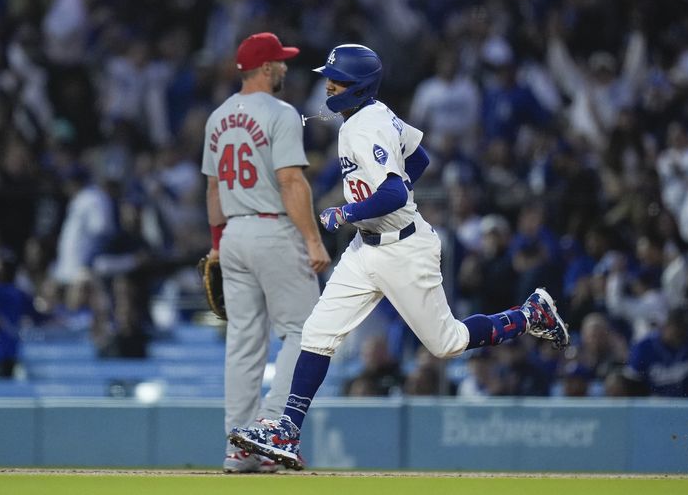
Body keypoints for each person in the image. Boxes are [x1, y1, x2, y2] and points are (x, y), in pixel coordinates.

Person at [228, 43, 570, 470]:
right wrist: (370, 208)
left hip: (404, 249)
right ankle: (287, 432)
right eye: (329, 78)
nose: (329, 86)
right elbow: (419, 158)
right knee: (317, 333)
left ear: (359, 87)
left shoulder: (365, 127)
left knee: (447, 343)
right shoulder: (374, 114)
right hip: (365, 249)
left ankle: (530, 315)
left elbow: (394, 192)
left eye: (338, 81)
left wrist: (347, 212)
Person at [200, 32, 331, 473]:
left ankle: (238, 446)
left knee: (243, 342)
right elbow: (291, 181)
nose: (286, 67)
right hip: (273, 227)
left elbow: (213, 188)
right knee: (307, 331)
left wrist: (217, 245)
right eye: (281, 61)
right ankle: (269, 428)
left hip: (233, 232)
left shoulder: (218, 117)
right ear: (267, 68)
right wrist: (312, 239)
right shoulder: (280, 112)